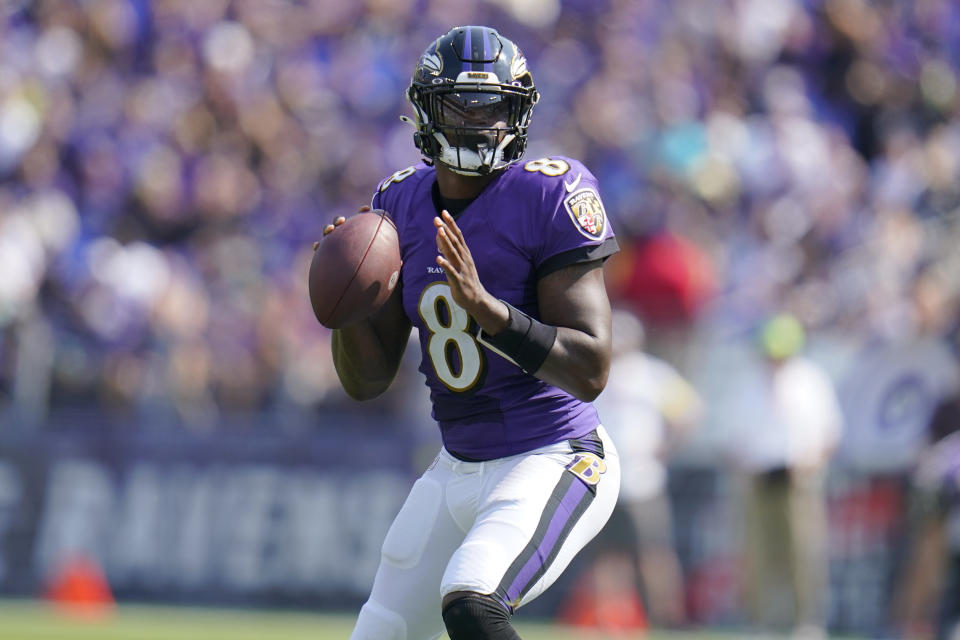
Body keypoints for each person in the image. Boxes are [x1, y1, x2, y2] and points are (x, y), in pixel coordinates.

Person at [322, 26, 622, 640]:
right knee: (379, 633)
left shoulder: (549, 193)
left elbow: (591, 370)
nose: (479, 121)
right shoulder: (398, 204)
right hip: (456, 463)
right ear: (426, 111)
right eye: (461, 103)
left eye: (494, 106)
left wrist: (493, 314)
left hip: (554, 455)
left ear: (519, 113)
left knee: (473, 602)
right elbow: (368, 381)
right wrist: (346, 307)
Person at [725, 313, 844, 640]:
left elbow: (829, 433)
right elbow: (734, 437)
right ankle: (760, 621)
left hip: (798, 479)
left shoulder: (810, 380)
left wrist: (810, 464)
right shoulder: (748, 382)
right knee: (758, 554)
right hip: (758, 477)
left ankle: (807, 622)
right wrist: (743, 466)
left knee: (804, 552)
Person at [586, 308, 703, 628]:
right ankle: (612, 621)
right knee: (609, 557)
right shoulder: (597, 373)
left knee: (654, 554)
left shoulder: (653, 374)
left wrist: (665, 448)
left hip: (642, 478)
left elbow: (689, 413)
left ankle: (667, 618)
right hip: (606, 478)